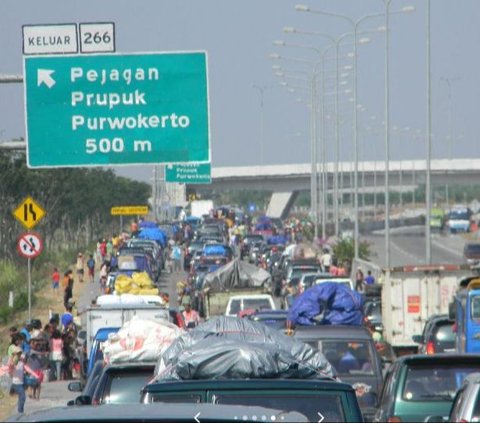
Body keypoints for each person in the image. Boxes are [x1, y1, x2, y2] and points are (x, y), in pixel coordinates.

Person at [8, 347, 38, 413]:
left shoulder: (21, 362)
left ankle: (20, 411)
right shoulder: (13, 362)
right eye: (18, 353)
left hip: (21, 382)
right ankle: (20, 412)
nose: (19, 355)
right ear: (14, 354)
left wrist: (35, 375)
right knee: (22, 396)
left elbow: (27, 368)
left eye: (20, 353)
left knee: (22, 396)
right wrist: (12, 364)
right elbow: (10, 369)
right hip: (16, 383)